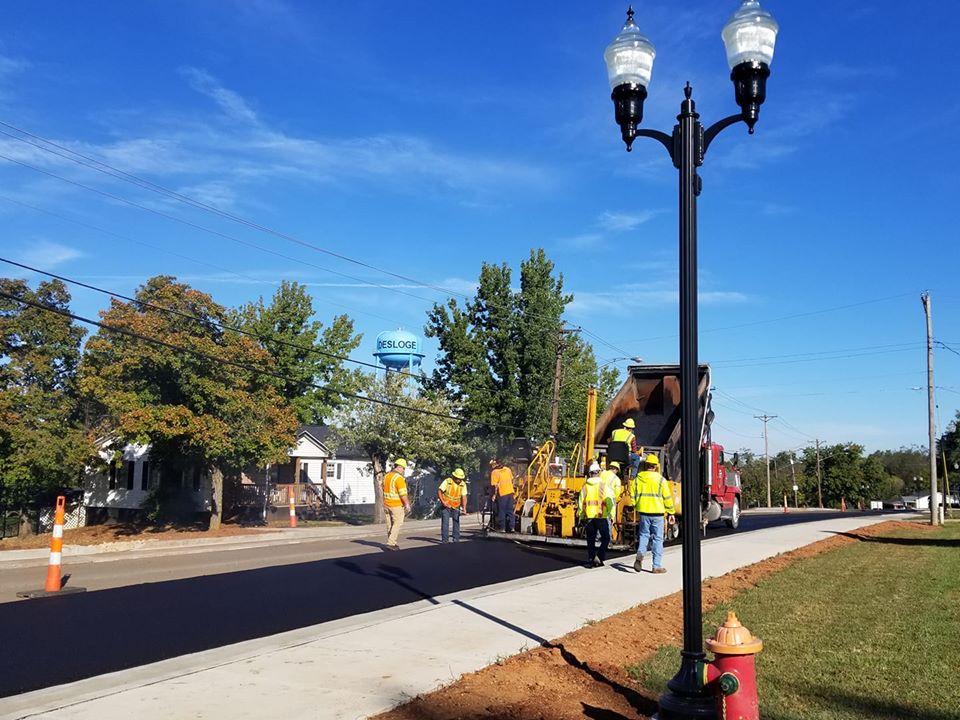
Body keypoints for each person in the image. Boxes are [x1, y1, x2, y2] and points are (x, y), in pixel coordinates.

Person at [632, 454, 675, 573]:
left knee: (644, 535)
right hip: (657, 514)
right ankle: (656, 566)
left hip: (644, 513)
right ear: (656, 466)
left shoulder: (637, 479)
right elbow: (667, 498)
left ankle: (640, 554)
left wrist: (636, 505)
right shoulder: (661, 480)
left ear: (645, 465)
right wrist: (671, 512)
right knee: (657, 539)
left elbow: (632, 496)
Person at [579, 462, 613, 567]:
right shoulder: (603, 486)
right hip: (600, 515)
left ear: (590, 474)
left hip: (588, 516)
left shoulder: (585, 487)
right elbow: (609, 502)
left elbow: (581, 503)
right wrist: (611, 514)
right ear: (598, 473)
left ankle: (591, 559)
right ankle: (600, 556)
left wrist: (581, 516)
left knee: (590, 539)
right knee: (606, 538)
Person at [383, 458, 411, 550]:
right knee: (397, 523)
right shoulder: (399, 478)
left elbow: (382, 487)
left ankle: (391, 541)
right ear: (399, 467)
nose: (403, 470)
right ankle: (391, 543)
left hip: (386, 504)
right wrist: (407, 504)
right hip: (396, 505)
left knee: (390, 524)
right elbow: (403, 494)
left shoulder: (387, 476)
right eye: (403, 468)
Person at [438, 468, 469, 543]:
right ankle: (445, 540)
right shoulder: (448, 481)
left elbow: (464, 496)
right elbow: (439, 491)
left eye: (461, 479)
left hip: (456, 506)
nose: (460, 480)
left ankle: (456, 539)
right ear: (454, 477)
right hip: (446, 505)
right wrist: (443, 502)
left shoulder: (463, 484)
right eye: (458, 479)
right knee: (445, 523)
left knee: (456, 522)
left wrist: (464, 508)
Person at [490, 459, 516, 533]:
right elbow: (512, 480)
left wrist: (494, 495)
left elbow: (495, 486)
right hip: (510, 492)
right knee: (510, 511)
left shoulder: (494, 472)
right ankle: (512, 528)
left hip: (502, 494)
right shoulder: (507, 469)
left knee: (502, 511)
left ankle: (502, 528)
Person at [599, 460, 623, 533]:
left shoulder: (601, 474)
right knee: (609, 519)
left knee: (598, 517)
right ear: (616, 469)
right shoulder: (616, 479)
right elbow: (617, 493)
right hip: (609, 500)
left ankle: (597, 536)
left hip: (598, 498)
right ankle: (607, 537)